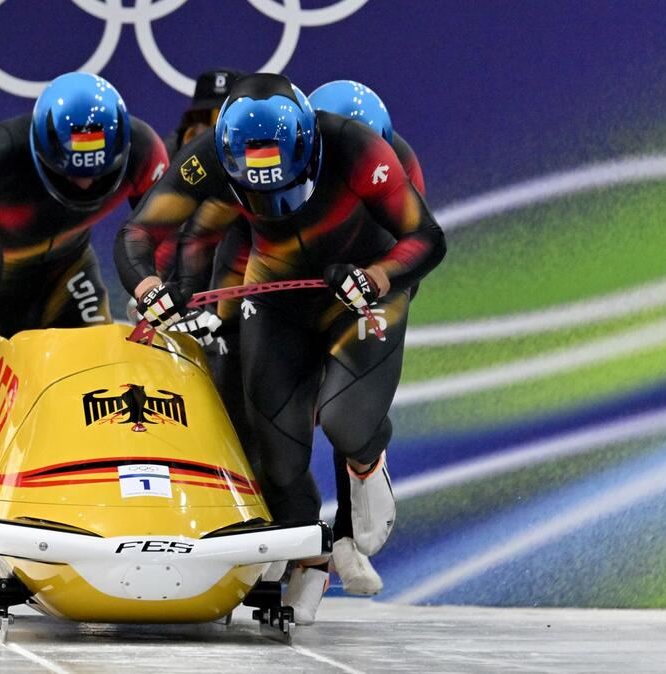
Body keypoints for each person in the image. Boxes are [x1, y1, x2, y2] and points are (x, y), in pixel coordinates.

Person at [115, 73, 446, 623]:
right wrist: (151, 290)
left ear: (308, 147)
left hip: (358, 290)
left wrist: (379, 278)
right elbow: (140, 234)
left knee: (344, 421)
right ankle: (309, 556)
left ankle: (366, 460)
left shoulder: (356, 147)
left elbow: (427, 239)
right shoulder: (210, 160)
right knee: (279, 456)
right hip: (277, 294)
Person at [0, 71, 168, 405]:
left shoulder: (143, 150)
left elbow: (163, 229)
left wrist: (153, 286)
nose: (86, 184)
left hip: (69, 271)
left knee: (98, 386)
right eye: (73, 171)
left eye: (99, 171)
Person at [307, 79, 428, 597]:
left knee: (344, 404)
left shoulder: (401, 167)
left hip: (368, 282)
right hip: (306, 273)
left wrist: (373, 284)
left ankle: (349, 534)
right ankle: (291, 541)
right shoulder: (287, 159)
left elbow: (412, 254)